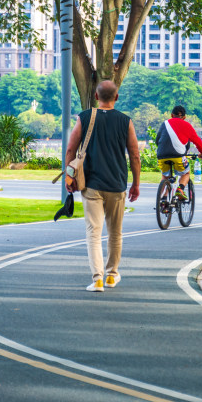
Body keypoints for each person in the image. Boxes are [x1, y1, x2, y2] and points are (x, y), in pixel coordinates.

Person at [64, 80, 140, 293]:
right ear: (116, 97)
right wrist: (136, 183)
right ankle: (112, 275)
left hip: (92, 185)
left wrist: (68, 178)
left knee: (93, 232)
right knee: (115, 233)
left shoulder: (85, 117)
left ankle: (97, 279)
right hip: (117, 184)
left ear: (96, 97)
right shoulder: (126, 121)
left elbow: (71, 149)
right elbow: (134, 154)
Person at [155, 105, 202, 200]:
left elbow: (157, 140)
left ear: (171, 115)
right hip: (178, 156)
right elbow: (197, 141)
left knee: (165, 176)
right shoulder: (187, 125)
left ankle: (163, 200)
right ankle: (180, 189)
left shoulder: (164, 123)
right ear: (184, 117)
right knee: (186, 173)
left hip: (162, 155)